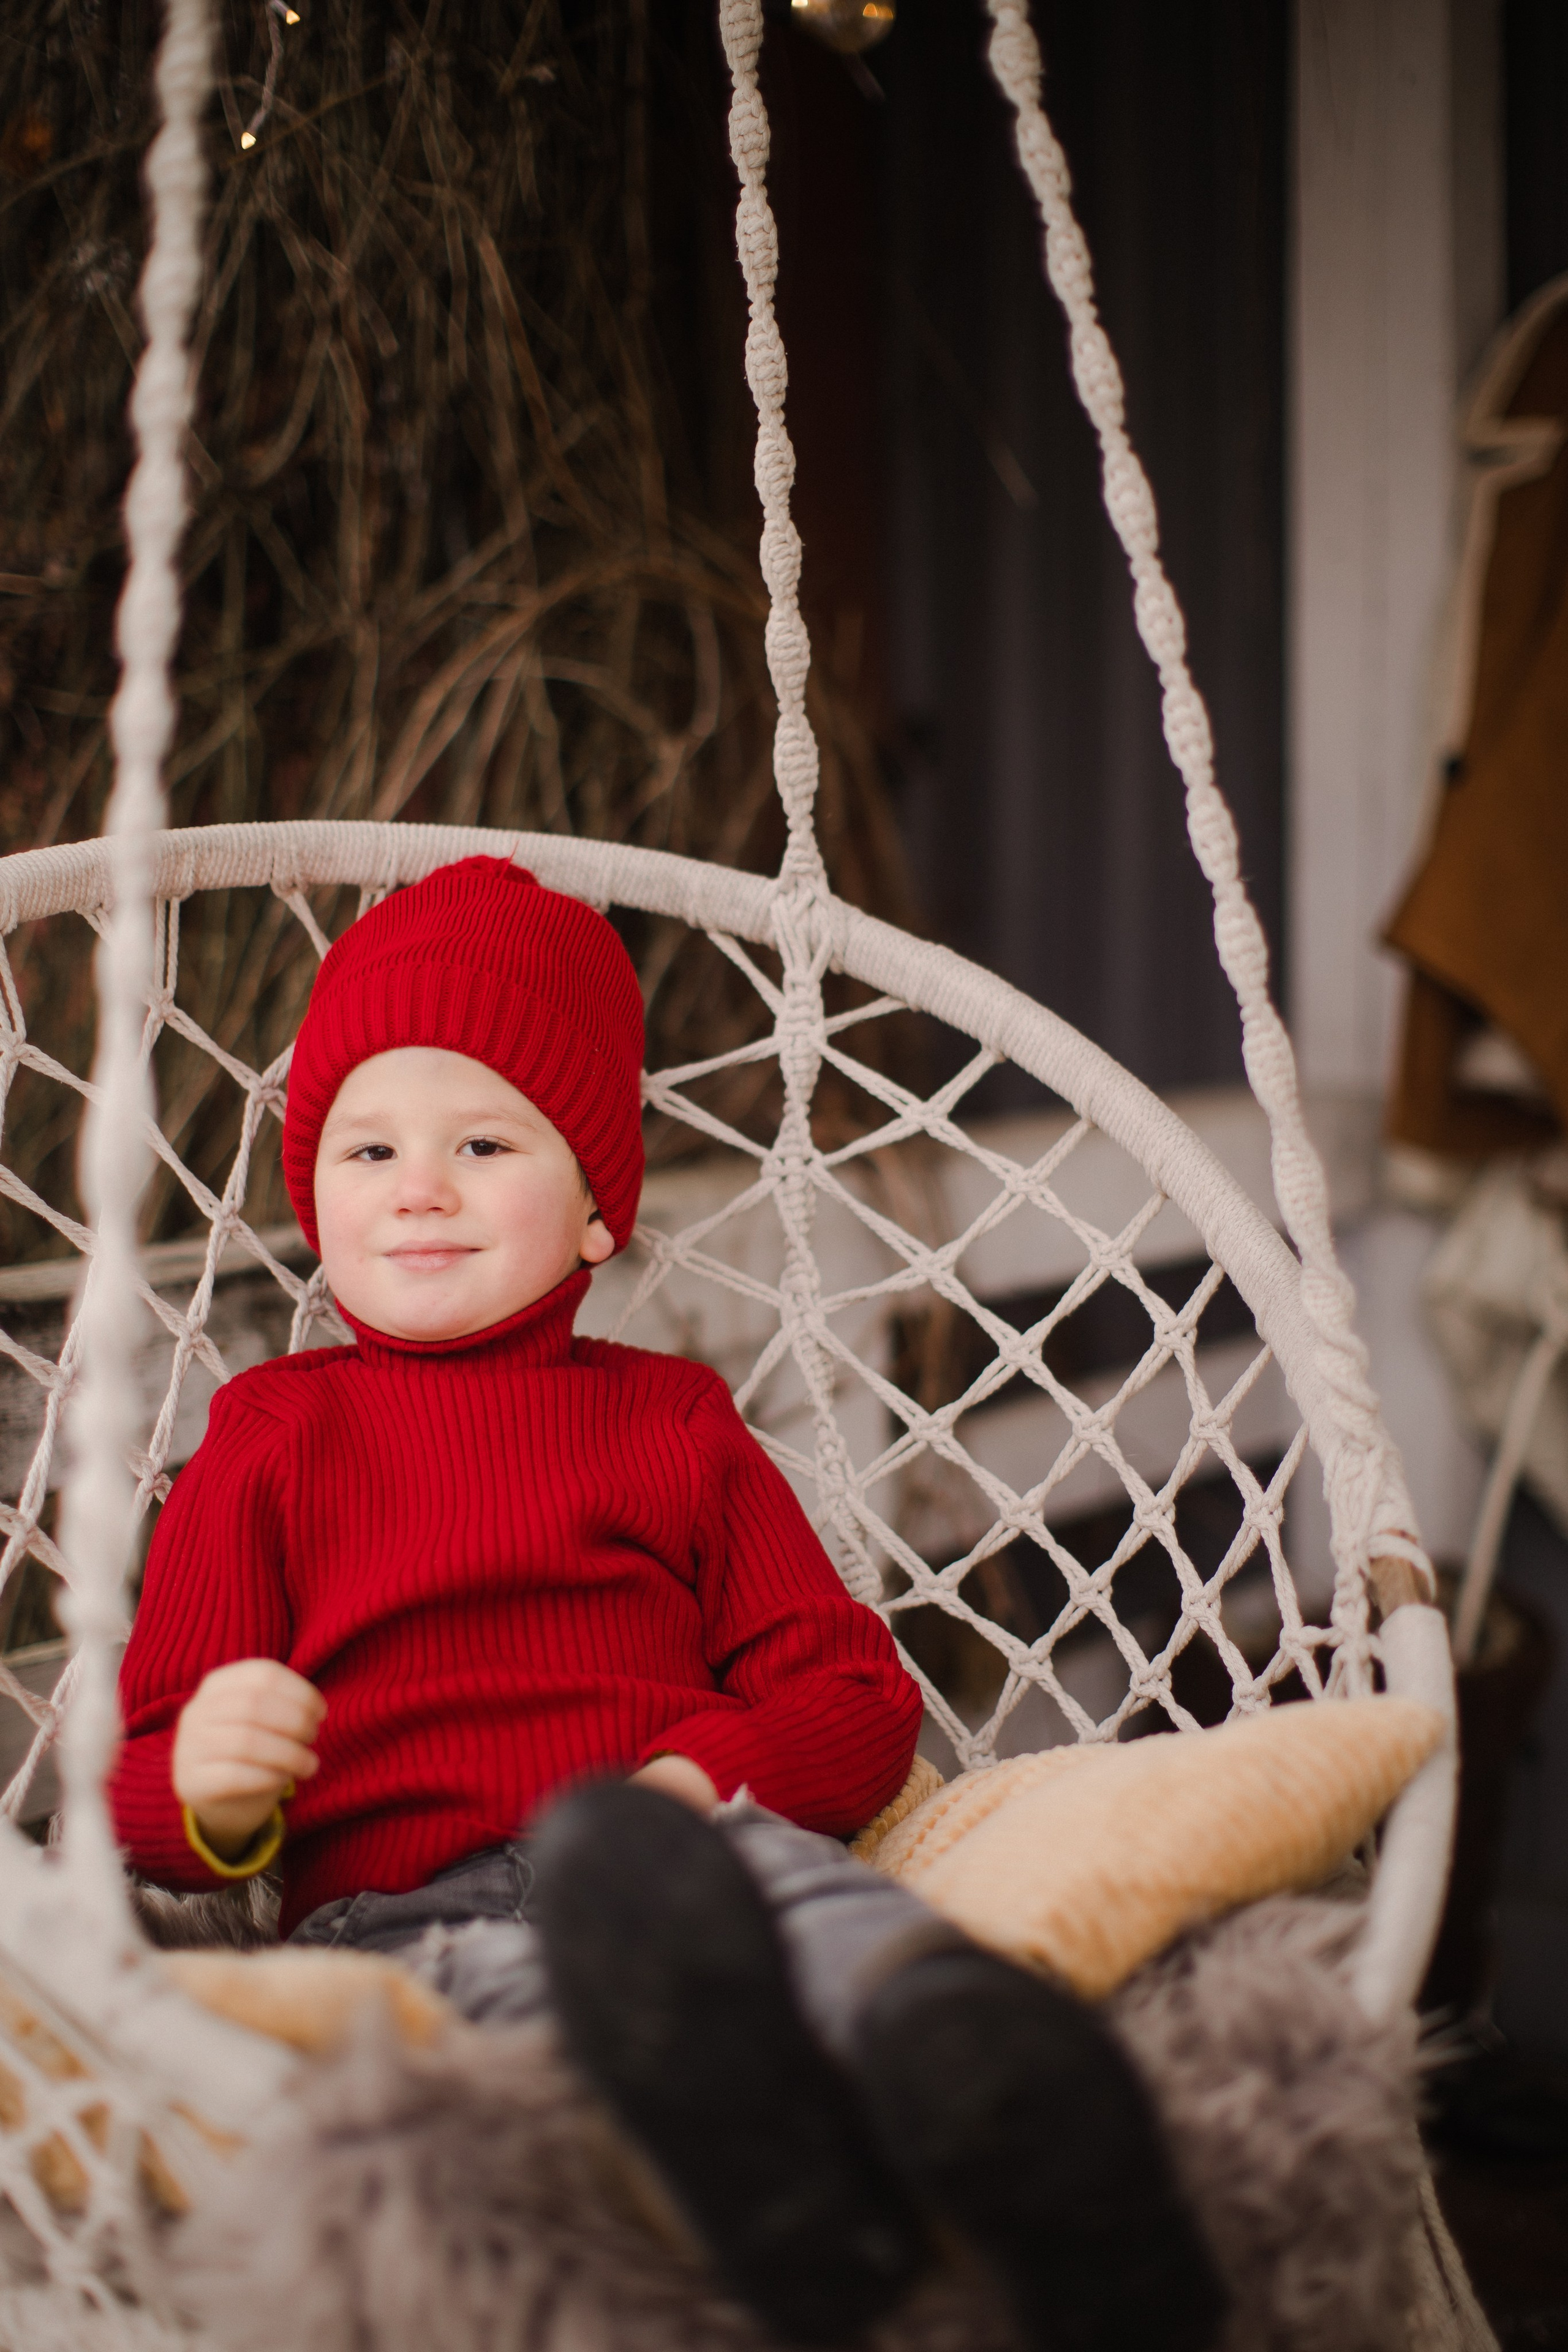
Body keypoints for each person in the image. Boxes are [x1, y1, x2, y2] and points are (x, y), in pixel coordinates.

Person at [111, 857, 1224, 2352]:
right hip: (412, 1919)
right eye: (368, 1149)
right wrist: (215, 1789)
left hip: (704, 1861)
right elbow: (134, 1794)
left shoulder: (673, 1423)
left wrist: (696, 1788)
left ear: (593, 1210)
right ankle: (783, 2201)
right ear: (315, 1196)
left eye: (482, 1142)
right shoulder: (269, 1435)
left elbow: (853, 1705)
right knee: (516, 2034)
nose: (418, 1186)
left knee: (831, 1925)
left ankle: (1008, 2108)